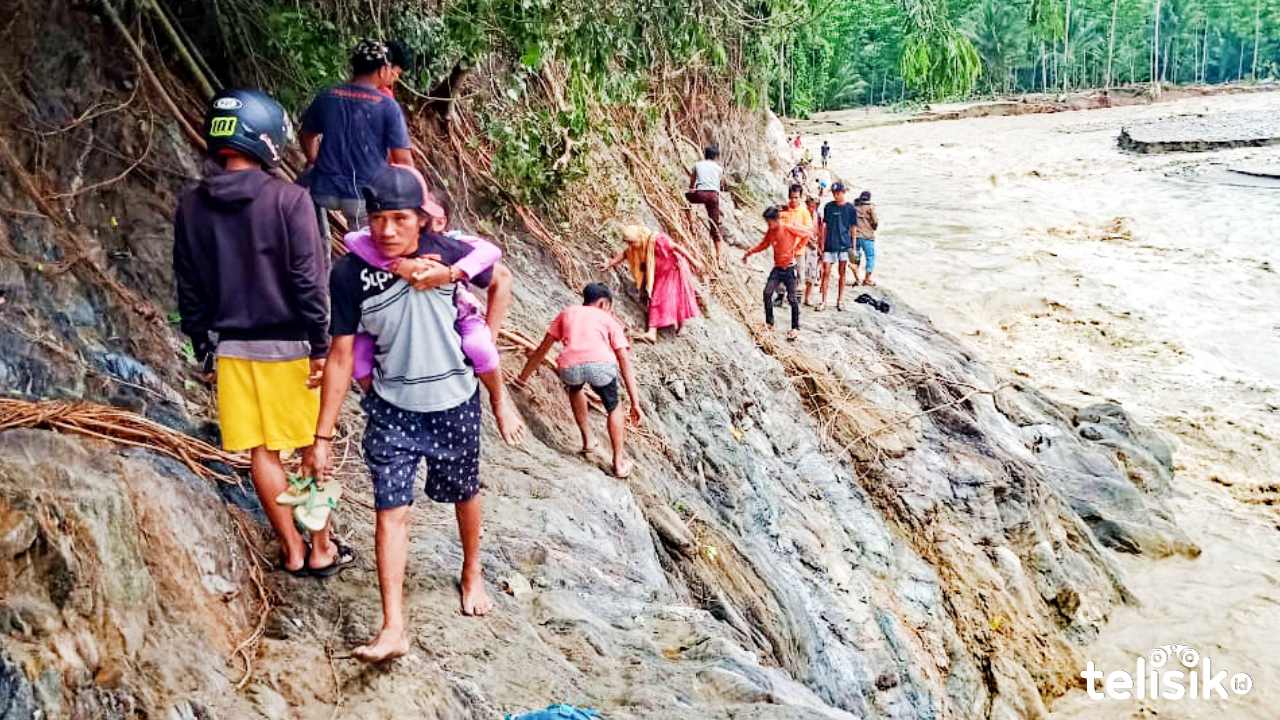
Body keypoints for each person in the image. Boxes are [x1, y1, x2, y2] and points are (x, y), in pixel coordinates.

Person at [304, 165, 499, 663]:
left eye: (399, 219)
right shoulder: (349, 274)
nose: (387, 231)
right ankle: (393, 627)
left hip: (454, 402)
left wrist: (481, 326)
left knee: (464, 492)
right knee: (391, 511)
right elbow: (342, 355)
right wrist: (321, 437)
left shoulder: (446, 251)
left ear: (420, 221)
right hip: (391, 410)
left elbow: (500, 274)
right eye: (377, 219)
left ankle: (472, 570)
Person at [174, 89, 352, 578]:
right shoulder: (289, 200)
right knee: (309, 446)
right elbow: (308, 281)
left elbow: (189, 287)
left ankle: (291, 549)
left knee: (262, 452)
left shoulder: (191, 205)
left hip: (230, 350)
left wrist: (203, 350)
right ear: (265, 138)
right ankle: (320, 547)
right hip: (291, 346)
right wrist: (321, 345)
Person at [341, 165, 524, 444]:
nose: (432, 223)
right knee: (358, 359)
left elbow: (495, 262)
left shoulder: (449, 245)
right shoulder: (376, 244)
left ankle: (499, 401)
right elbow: (352, 238)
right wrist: (397, 264)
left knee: (479, 347)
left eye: (438, 218)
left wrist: (453, 273)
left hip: (457, 315)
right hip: (385, 325)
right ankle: (382, 409)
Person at [514, 284, 644, 478]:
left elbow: (542, 349)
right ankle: (618, 462)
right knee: (613, 407)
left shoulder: (567, 313)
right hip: (601, 366)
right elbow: (623, 358)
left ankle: (587, 440)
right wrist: (635, 403)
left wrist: (521, 379)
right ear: (603, 303)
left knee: (575, 390)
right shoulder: (607, 318)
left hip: (570, 367)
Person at [300, 39, 412, 237]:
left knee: (313, 233)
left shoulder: (328, 96)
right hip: (362, 195)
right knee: (365, 249)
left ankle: (320, 254)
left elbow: (307, 134)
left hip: (323, 189)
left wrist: (313, 159)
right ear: (382, 70)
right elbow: (403, 160)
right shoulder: (387, 106)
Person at [601, 225, 701, 343]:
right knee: (656, 299)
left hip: (673, 270)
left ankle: (678, 326)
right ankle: (652, 332)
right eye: (628, 243)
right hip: (659, 275)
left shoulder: (658, 240)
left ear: (640, 238)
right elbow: (625, 254)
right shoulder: (638, 246)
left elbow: (676, 247)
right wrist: (609, 263)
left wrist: (694, 261)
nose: (630, 245)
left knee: (677, 297)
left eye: (632, 242)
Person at [743, 206, 808, 342]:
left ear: (776, 219)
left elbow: (806, 234)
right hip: (777, 269)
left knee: (792, 298)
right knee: (767, 292)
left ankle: (795, 327)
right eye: (767, 223)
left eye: (769, 222)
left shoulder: (787, 227)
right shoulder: (771, 232)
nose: (769, 225)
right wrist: (750, 252)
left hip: (790, 268)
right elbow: (764, 244)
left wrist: (797, 248)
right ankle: (770, 323)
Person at [816, 182, 857, 311]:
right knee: (826, 272)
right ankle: (823, 301)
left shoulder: (850, 208)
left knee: (842, 273)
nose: (836, 195)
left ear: (843, 192)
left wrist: (853, 247)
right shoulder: (828, 207)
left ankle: (840, 300)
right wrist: (821, 244)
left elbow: (853, 228)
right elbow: (824, 227)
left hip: (844, 245)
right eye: (834, 193)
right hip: (829, 244)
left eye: (838, 193)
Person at [773, 184, 814, 306]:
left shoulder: (804, 212)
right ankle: (780, 296)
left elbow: (808, 231)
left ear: (800, 197)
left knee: (799, 274)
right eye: (791, 197)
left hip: (798, 250)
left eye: (796, 197)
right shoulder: (783, 210)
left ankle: (797, 297)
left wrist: (801, 246)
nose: (793, 200)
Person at [684, 145, 725, 264]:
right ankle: (719, 258)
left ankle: (691, 224)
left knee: (686, 198)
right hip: (713, 197)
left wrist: (692, 189)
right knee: (715, 227)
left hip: (700, 194)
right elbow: (721, 184)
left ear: (704, 154)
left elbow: (692, 182)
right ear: (715, 157)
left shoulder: (697, 165)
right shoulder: (718, 168)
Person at [854, 190, 880, 286]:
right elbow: (875, 221)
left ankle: (857, 278)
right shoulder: (870, 207)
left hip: (855, 235)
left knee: (856, 257)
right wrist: (874, 228)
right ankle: (867, 279)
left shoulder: (855, 206)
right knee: (870, 257)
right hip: (867, 236)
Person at [801, 196, 821, 305]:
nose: (811, 208)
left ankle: (807, 297)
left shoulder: (817, 216)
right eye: (810, 205)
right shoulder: (802, 214)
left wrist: (819, 246)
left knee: (812, 272)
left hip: (813, 245)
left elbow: (819, 231)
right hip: (803, 245)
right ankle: (796, 295)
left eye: (814, 206)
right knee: (800, 272)